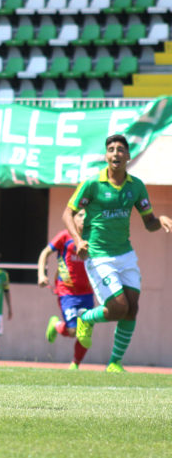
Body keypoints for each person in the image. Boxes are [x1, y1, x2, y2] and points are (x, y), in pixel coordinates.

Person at [64, 134, 172, 373]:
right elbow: (67, 214)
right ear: (106, 156)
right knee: (119, 307)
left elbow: (149, 223)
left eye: (121, 149)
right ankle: (86, 318)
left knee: (132, 308)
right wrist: (78, 240)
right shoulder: (92, 184)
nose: (116, 153)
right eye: (111, 149)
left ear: (128, 156)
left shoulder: (136, 186)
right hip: (99, 256)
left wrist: (160, 220)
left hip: (125, 255)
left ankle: (114, 363)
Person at [37, 209, 93, 370]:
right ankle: (56, 325)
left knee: (85, 332)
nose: (84, 218)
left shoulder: (92, 238)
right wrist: (42, 274)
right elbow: (45, 253)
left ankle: (75, 364)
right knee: (72, 330)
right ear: (73, 218)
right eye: (80, 215)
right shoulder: (64, 236)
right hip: (67, 291)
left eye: (86, 215)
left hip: (87, 292)